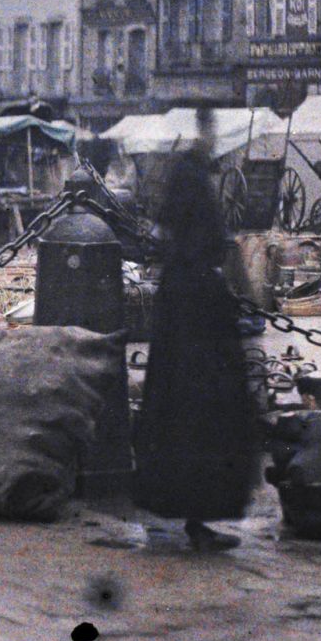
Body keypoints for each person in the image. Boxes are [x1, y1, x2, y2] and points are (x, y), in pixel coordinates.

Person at [131, 124, 262, 552]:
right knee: (205, 414)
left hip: (181, 305)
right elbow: (212, 241)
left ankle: (189, 512)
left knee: (180, 410)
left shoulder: (183, 182)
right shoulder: (197, 185)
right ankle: (198, 515)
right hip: (200, 309)